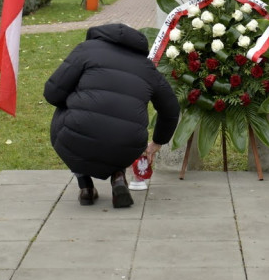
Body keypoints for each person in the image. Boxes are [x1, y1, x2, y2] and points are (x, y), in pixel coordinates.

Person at [44, 23, 180, 207]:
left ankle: (85, 187)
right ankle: (118, 177)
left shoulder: (86, 50)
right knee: (117, 131)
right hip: (128, 145)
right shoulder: (147, 67)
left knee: (65, 116)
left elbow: (52, 93)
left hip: (75, 136)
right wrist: (157, 142)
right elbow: (171, 108)